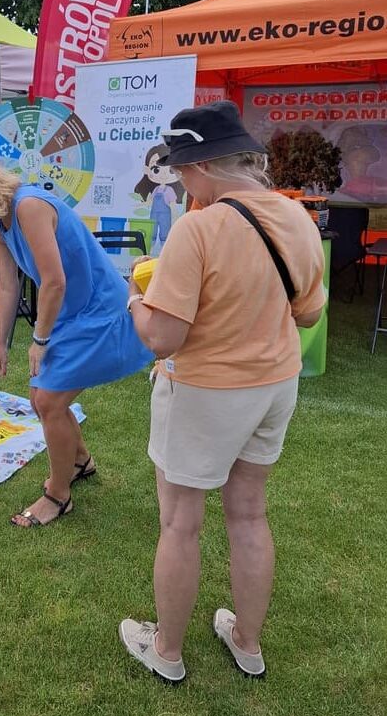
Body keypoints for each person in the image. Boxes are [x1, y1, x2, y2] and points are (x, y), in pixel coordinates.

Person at [118, 101, 325, 683]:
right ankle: (247, 643)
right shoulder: (297, 218)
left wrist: (134, 299)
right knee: (250, 515)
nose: (182, 180)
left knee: (180, 522)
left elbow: (163, 337)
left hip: (205, 390)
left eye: (182, 169)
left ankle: (167, 651)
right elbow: (309, 313)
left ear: (202, 165)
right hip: (275, 384)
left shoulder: (199, 227)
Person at [0, 157, 151, 528]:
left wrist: (40, 339)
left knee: (49, 401)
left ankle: (58, 495)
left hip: (99, 312)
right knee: (41, 399)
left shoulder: (29, 206)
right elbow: (7, 285)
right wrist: (0, 345)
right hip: (70, 314)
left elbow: (54, 281)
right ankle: (80, 461)